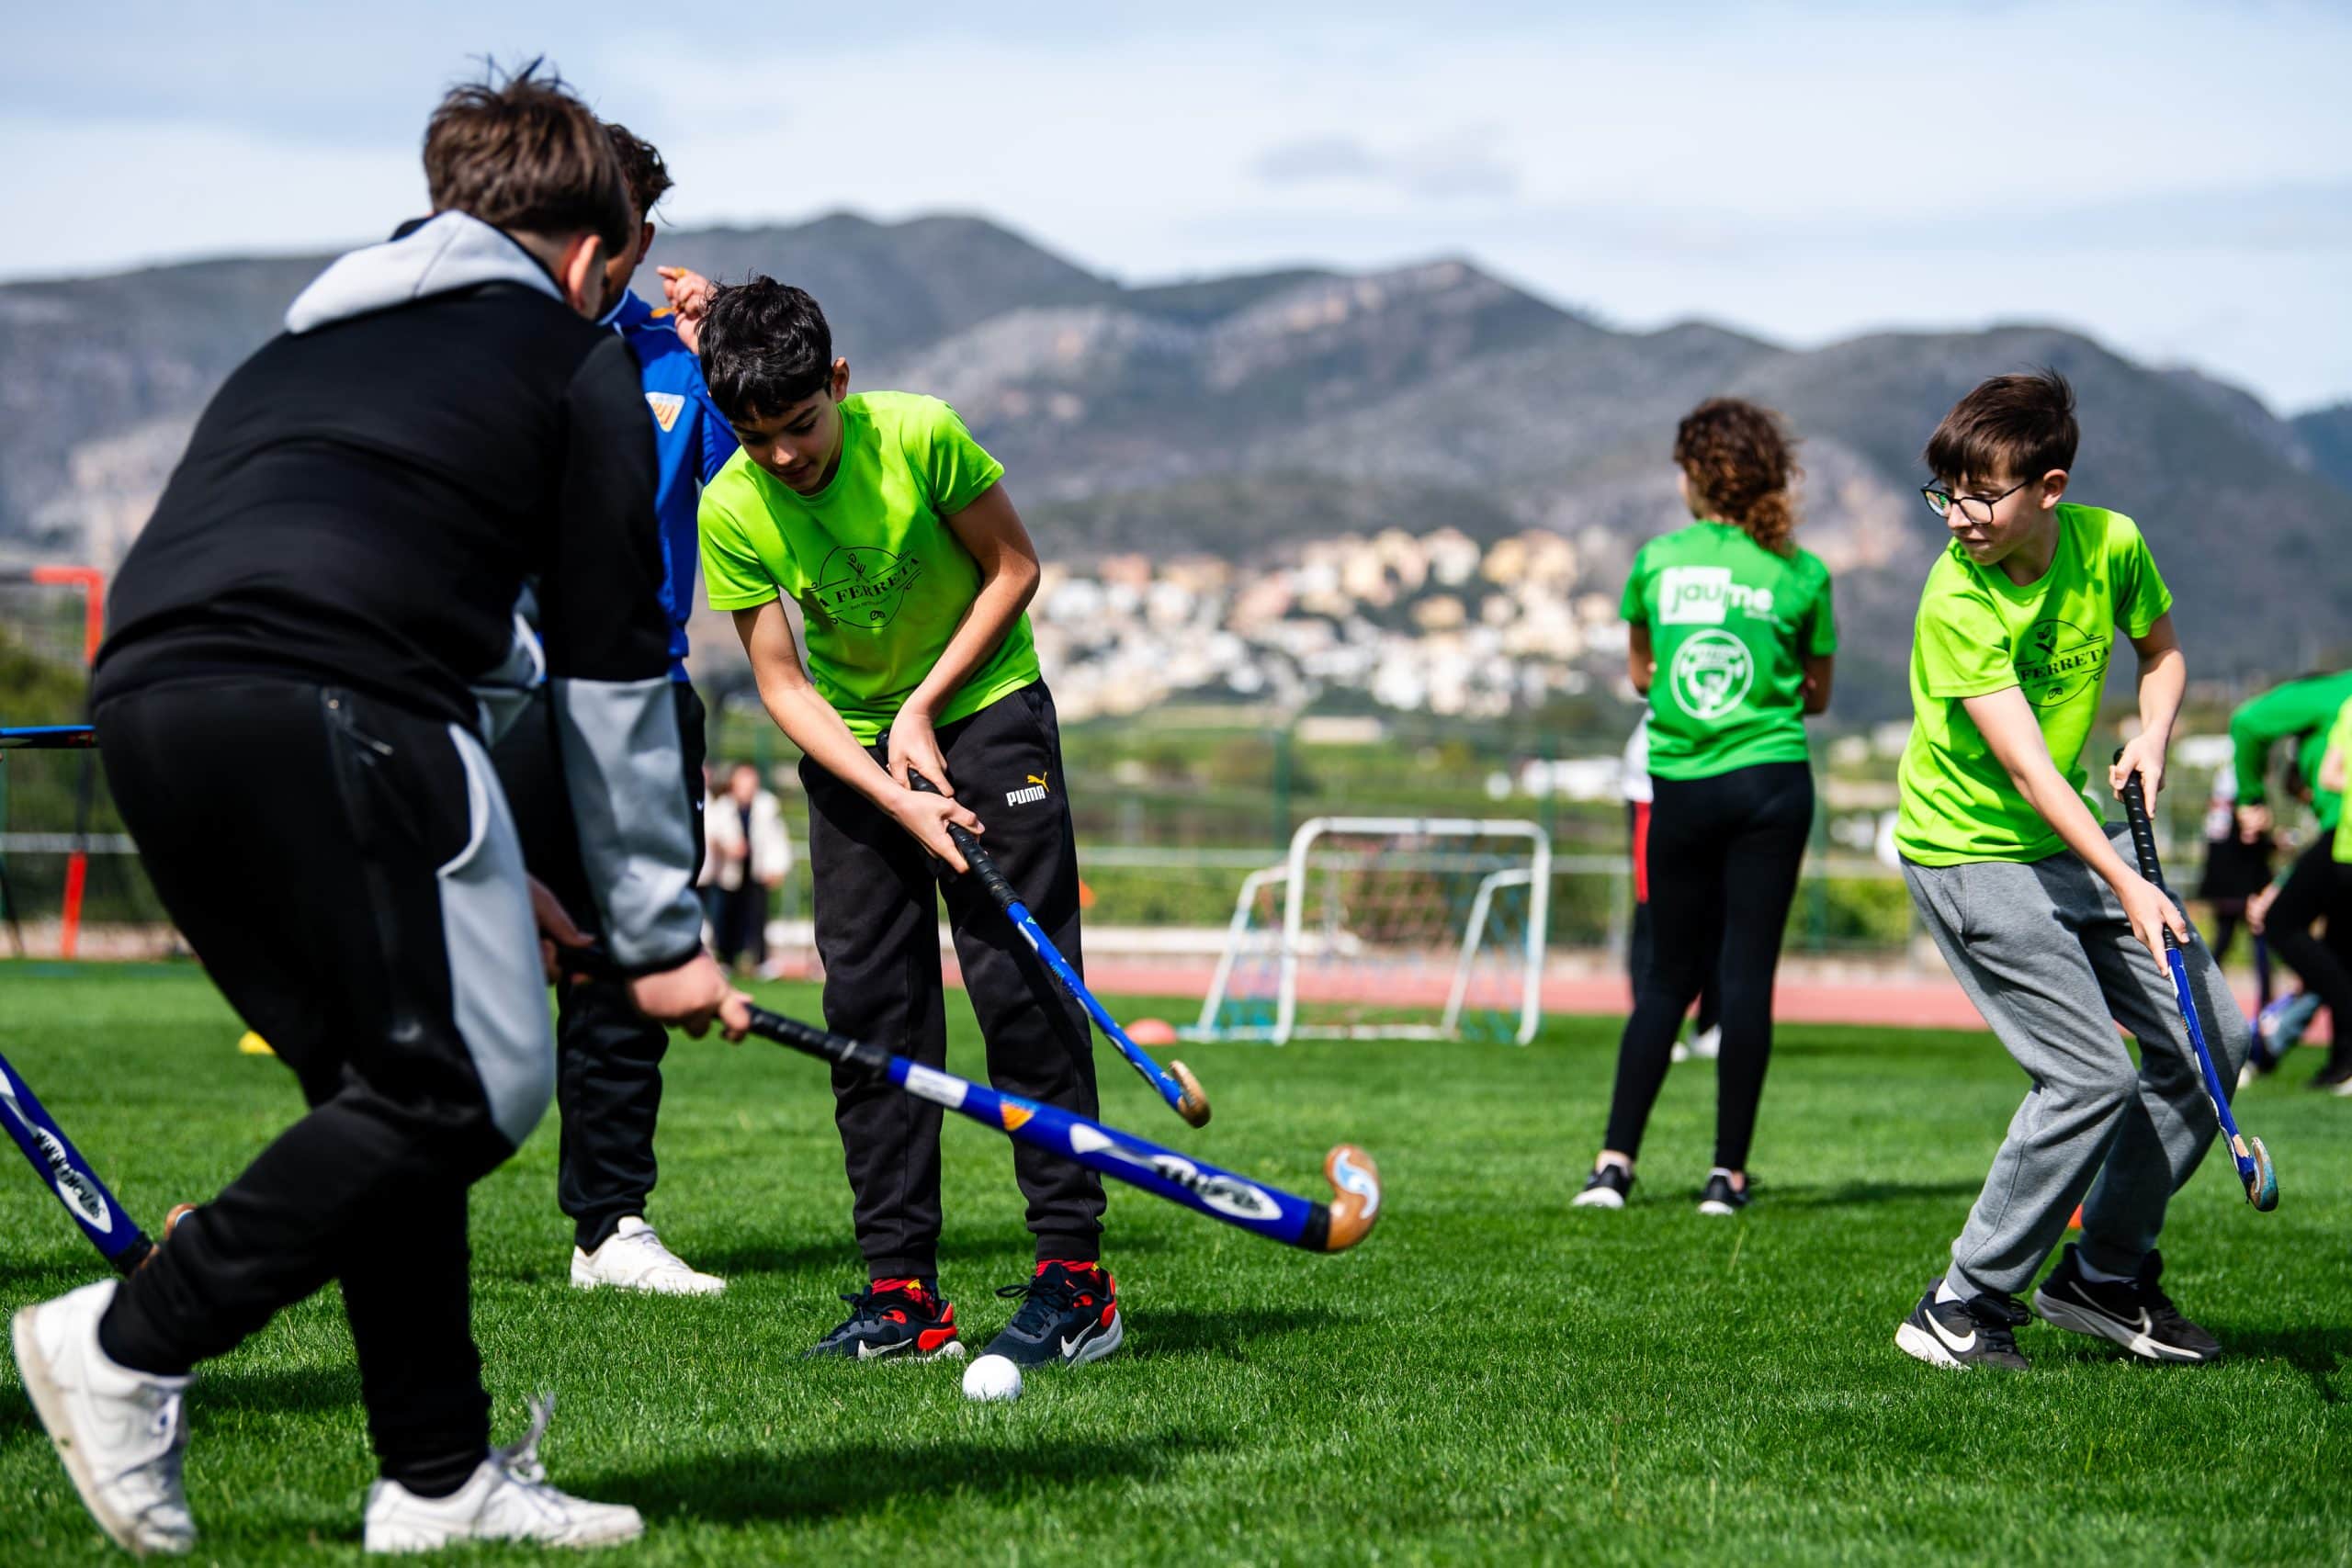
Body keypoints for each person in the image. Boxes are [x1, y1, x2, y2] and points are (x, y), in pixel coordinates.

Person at [7, 69, 748, 1556]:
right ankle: (133, 1334)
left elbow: (429, 599)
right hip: (333, 700)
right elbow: (615, 664)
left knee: (384, 1087)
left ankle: (436, 1473)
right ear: (598, 251)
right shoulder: (573, 357)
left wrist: (508, 879)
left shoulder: (308, 341)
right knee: (470, 1090)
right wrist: (662, 929)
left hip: (151, 707)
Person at [685, 276, 1120, 1371]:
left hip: (983, 710)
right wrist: (893, 789)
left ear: (837, 383)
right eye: (756, 436)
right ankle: (902, 1298)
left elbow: (1013, 570)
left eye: (799, 426)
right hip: (852, 750)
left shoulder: (920, 434)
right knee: (872, 1013)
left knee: (1021, 990)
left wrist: (923, 711)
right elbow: (783, 686)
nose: (784, 456)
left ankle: (1075, 1281)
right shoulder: (731, 505)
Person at [1889, 369, 2246, 1372]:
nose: (1957, 517)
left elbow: (2162, 651)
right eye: (1943, 493)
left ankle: (2103, 1277)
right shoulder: (1955, 597)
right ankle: (1961, 1303)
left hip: (2065, 841)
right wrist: (2131, 882)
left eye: (1979, 495)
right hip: (1966, 849)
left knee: (2214, 1035)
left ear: (2049, 487)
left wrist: (2153, 736)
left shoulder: (2112, 543)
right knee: (2087, 1073)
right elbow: (2028, 770)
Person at [490, 120, 741, 1299]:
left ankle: (610, 1228)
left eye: (633, 234)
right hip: (484, 693)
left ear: (642, 237)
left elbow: (756, 492)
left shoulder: (673, 355)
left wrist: (722, 351)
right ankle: (375, 1201)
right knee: (444, 953)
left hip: (640, 696)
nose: (614, 257)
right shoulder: (478, 343)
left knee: (623, 960)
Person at [1575, 399, 1834, 1216]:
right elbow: (1817, 695)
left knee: (1665, 978)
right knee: (1745, 978)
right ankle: (1726, 1178)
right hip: (1772, 784)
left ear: (1694, 475)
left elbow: (1643, 675)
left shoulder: (1656, 561)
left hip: (1681, 784)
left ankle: (1613, 1166)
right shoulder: (1803, 572)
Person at [2229, 668, 2352, 1081]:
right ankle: (2342, 1066)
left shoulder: (2332, 692)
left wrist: (2250, 798)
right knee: (2340, 944)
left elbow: (2247, 721)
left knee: (2282, 922)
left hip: (2345, 836)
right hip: (2337, 839)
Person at [1621, 712, 1723, 1064]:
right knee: (1655, 911)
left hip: (1708, 790)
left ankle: (1709, 1027)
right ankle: (1652, 1026)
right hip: (1654, 791)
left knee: (1717, 911)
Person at [706, 761, 792, 973]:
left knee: (758, 917)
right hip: (728, 872)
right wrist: (728, 847)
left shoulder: (766, 805)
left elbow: (776, 838)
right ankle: (726, 959)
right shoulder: (722, 805)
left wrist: (777, 867)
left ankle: (760, 960)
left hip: (756, 871)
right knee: (725, 916)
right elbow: (712, 831)